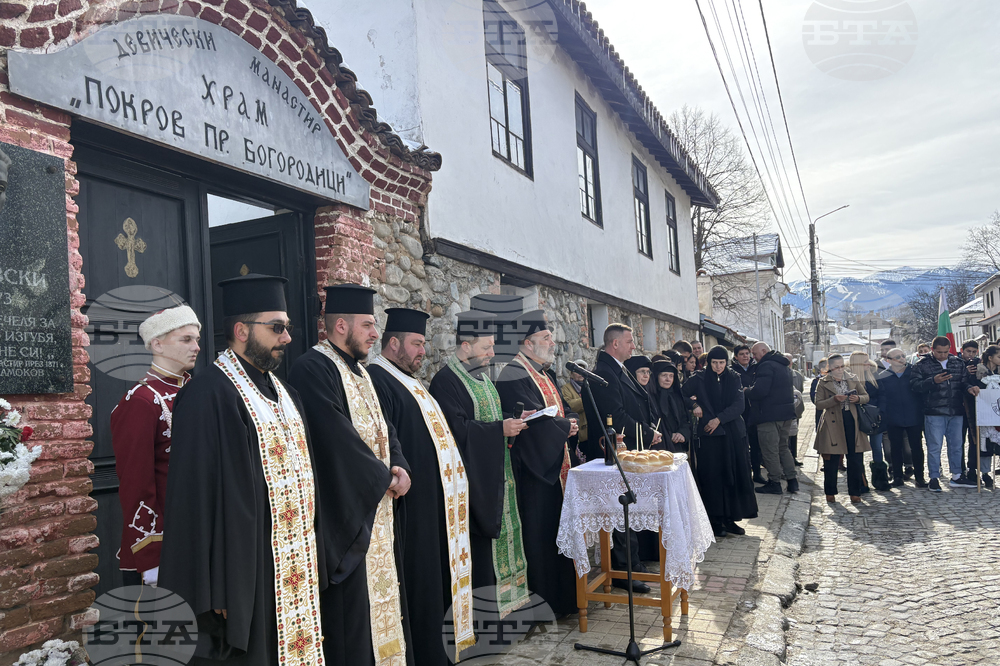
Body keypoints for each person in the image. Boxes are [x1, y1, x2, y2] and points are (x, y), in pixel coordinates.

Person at [159, 274, 326, 665]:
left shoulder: (285, 393)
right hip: (243, 571)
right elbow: (193, 500)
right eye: (277, 328)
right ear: (240, 330)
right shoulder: (207, 394)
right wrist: (218, 588)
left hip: (291, 562)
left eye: (287, 328)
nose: (286, 337)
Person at [287, 284, 411, 665]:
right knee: (353, 621)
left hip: (378, 505)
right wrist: (382, 477)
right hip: (348, 517)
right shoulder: (313, 367)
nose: (376, 334)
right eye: (369, 325)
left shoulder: (360, 370)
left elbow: (384, 425)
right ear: (341, 325)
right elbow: (334, 438)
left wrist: (401, 464)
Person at [367, 308, 475, 664]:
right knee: (420, 587)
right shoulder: (378, 379)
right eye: (416, 344)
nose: (422, 352)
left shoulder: (411, 381)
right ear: (393, 343)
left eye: (423, 344)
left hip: (436, 509)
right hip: (409, 510)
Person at [428, 311, 531, 620]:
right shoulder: (446, 381)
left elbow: (490, 418)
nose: (491, 354)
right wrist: (500, 429)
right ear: (465, 345)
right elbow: (455, 432)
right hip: (473, 488)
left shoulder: (484, 378)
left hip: (498, 479)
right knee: (481, 559)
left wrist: (512, 422)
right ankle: (485, 625)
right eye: (486, 347)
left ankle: (510, 616)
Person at [111, 305, 201, 587]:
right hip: (162, 548)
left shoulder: (197, 391)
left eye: (197, 339)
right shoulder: (140, 401)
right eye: (186, 339)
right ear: (157, 344)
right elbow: (136, 484)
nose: (196, 347)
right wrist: (151, 554)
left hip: (198, 538)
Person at [496, 310, 579, 615]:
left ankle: (566, 598)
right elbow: (531, 423)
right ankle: (548, 604)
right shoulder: (512, 374)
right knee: (541, 537)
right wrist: (562, 427)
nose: (552, 342)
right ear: (528, 343)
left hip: (555, 467)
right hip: (534, 474)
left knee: (556, 534)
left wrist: (568, 421)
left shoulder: (543, 373)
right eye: (546, 338)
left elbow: (559, 411)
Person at [588, 324, 662, 593]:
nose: (634, 346)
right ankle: (622, 570)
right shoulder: (604, 373)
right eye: (630, 341)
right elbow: (616, 416)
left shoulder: (618, 368)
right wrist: (645, 431)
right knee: (620, 512)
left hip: (629, 449)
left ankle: (634, 562)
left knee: (629, 510)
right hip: (614, 451)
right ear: (615, 344)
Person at [681, 346, 758, 537]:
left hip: (731, 434)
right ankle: (714, 520)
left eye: (721, 363)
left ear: (726, 362)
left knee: (733, 474)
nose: (718, 367)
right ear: (708, 363)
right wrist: (694, 405)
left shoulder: (734, 378)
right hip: (709, 437)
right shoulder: (698, 378)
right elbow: (681, 394)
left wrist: (719, 419)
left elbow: (739, 405)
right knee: (712, 477)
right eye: (714, 363)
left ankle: (731, 518)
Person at [910, 336, 975, 492]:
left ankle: (957, 476)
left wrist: (969, 388)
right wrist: (933, 381)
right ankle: (934, 477)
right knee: (934, 447)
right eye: (939, 352)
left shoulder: (957, 363)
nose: (943, 355)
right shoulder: (922, 364)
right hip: (934, 411)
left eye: (946, 352)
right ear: (933, 350)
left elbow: (963, 382)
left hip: (956, 410)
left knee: (957, 445)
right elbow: (914, 385)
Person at [814, 354, 870, 504]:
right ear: (830, 368)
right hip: (832, 424)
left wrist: (857, 399)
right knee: (831, 461)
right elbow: (818, 404)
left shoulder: (852, 378)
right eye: (836, 367)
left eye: (841, 366)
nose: (839, 370)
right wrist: (834, 399)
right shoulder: (823, 382)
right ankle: (830, 492)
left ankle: (855, 492)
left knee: (855, 459)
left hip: (852, 421)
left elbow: (866, 396)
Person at [745, 342, 799, 494]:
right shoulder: (783, 365)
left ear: (763, 351)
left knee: (770, 450)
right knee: (783, 448)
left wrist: (747, 391)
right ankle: (792, 480)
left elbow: (760, 391)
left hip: (768, 416)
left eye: (755, 354)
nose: (753, 358)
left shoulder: (766, 365)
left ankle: (774, 482)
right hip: (786, 414)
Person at [876, 349, 927, 488]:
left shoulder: (914, 372)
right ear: (889, 360)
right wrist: (883, 413)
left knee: (916, 447)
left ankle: (920, 477)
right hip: (893, 417)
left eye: (903, 355)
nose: (902, 358)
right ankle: (897, 477)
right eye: (897, 357)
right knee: (895, 448)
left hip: (914, 415)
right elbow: (882, 397)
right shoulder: (883, 376)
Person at [849, 352, 888, 491]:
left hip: (874, 417)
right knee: (858, 449)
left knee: (877, 447)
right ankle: (861, 481)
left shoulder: (874, 375)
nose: (869, 363)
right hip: (857, 418)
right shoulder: (850, 378)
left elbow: (883, 394)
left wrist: (880, 411)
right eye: (865, 361)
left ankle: (880, 479)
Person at [731, 344, 763, 483]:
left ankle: (757, 473)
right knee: (742, 446)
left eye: (747, 353)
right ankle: (743, 475)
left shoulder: (756, 368)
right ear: (736, 356)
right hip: (740, 413)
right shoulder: (732, 371)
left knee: (756, 446)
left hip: (755, 412)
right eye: (742, 354)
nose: (745, 356)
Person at [969, 345, 1000, 488]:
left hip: (998, 413)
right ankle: (985, 473)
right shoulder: (978, 372)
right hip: (984, 413)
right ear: (990, 357)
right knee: (985, 445)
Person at [651, 360, 692, 454]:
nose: (668, 379)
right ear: (656, 376)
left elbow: (685, 420)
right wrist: (669, 435)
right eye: (664, 375)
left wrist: (682, 434)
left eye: (671, 376)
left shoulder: (677, 397)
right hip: (659, 446)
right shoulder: (651, 398)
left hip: (677, 445)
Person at [561, 359, 591, 463]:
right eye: (577, 371)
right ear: (571, 374)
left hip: (591, 434)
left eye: (582, 370)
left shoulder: (588, 386)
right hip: (579, 435)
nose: (580, 373)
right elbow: (569, 406)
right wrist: (587, 400)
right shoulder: (566, 389)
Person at [959, 340, 981, 482]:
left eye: (973, 352)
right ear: (962, 351)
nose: (971, 355)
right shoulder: (957, 363)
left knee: (974, 440)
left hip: (975, 407)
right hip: (960, 408)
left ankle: (972, 468)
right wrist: (965, 372)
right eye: (968, 351)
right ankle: (960, 469)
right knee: (958, 440)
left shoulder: (980, 363)